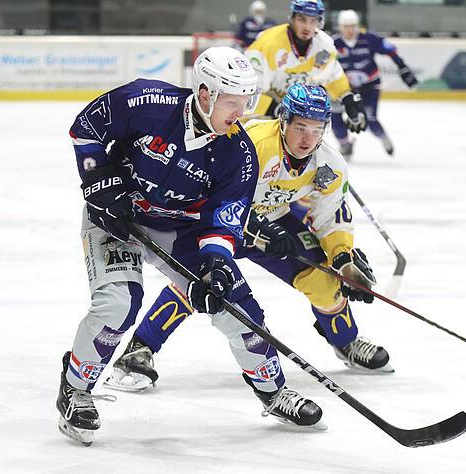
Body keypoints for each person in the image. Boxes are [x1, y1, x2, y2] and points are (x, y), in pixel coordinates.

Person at [57, 46, 324, 446]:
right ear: (205, 95)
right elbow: (87, 127)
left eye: (247, 103)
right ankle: (75, 389)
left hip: (180, 231)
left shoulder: (239, 153)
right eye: (233, 103)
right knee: (117, 303)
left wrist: (215, 265)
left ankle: (272, 391)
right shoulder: (146, 101)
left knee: (238, 306)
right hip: (116, 218)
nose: (241, 114)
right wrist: (101, 183)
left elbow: (224, 217)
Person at [105, 84, 392, 394]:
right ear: (284, 120)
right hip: (218, 220)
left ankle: (345, 341)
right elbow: (214, 194)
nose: (308, 138)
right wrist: (252, 228)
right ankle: (139, 349)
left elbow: (329, 217)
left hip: (273, 219)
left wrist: (343, 258)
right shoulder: (253, 144)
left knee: (324, 278)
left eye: (317, 129)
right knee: (206, 280)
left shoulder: (330, 165)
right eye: (300, 127)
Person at [243, 0, 367, 136]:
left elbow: (333, 75)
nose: (307, 26)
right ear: (292, 19)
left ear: (320, 23)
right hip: (260, 120)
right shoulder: (268, 43)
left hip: (296, 120)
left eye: (313, 21)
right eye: (302, 19)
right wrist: (278, 109)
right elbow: (247, 92)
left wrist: (348, 99)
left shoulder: (324, 46)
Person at [331, 9, 419, 159]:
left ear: (357, 25)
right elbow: (324, 66)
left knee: (369, 119)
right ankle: (345, 145)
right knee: (335, 115)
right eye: (346, 26)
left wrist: (403, 67)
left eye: (352, 26)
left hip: (369, 86)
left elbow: (391, 50)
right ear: (340, 27)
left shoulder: (370, 38)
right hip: (345, 89)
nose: (349, 30)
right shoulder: (333, 43)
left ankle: (383, 137)